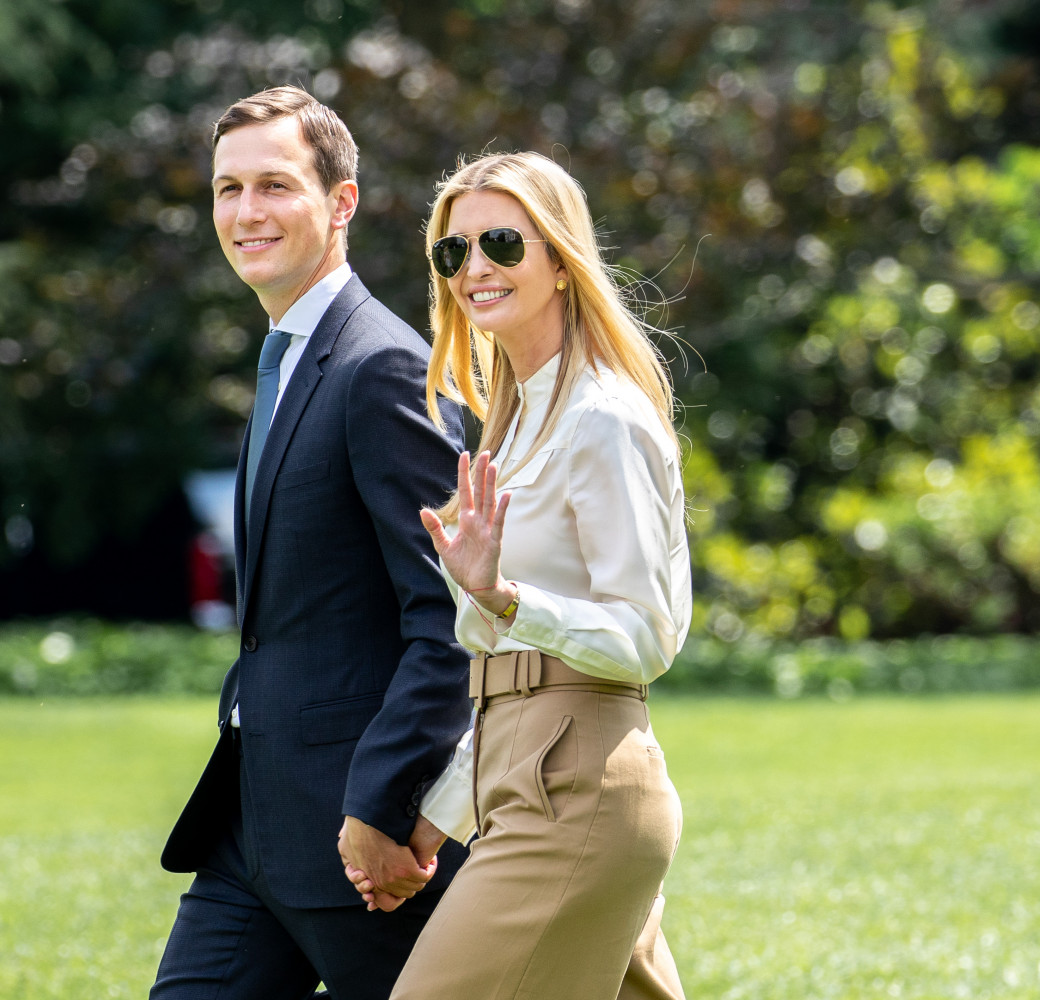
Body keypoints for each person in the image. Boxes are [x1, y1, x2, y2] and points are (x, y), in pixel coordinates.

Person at [344, 151, 691, 999]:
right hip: (528, 779)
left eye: (501, 242)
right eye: (451, 253)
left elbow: (647, 638)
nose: (475, 269)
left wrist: (505, 597)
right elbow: (509, 684)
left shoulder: (604, 416)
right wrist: (437, 819)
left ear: (563, 261)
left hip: (580, 797)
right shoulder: (506, 425)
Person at [150, 87, 471, 1000]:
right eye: (227, 189)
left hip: (355, 839)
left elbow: (451, 615)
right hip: (249, 827)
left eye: (275, 186)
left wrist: (381, 801)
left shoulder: (383, 367)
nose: (246, 213)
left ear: (342, 203)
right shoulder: (289, 354)